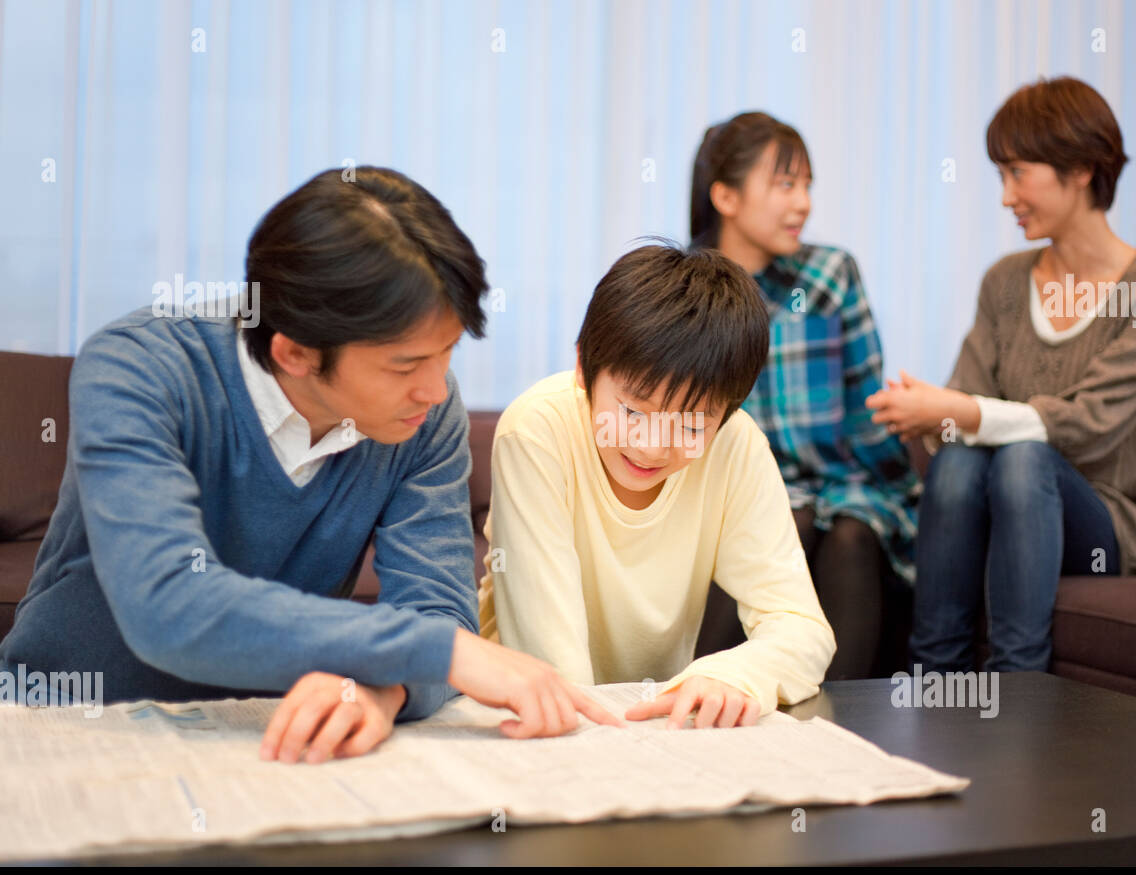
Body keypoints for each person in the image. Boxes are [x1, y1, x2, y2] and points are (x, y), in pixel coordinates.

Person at [0, 166, 620, 761]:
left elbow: (434, 608)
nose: (435, 390)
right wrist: (434, 651)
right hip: (65, 719)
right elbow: (167, 602)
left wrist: (383, 688)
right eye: (405, 365)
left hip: (276, 734)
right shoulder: (139, 369)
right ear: (294, 352)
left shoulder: (425, 412)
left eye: (448, 351)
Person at [866, 76, 1136, 673]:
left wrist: (954, 410)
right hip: (1005, 504)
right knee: (963, 459)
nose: (1007, 196)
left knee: (1023, 457)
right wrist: (928, 414)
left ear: (1083, 168)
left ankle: (1018, 687)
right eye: (1001, 176)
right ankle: (935, 677)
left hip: (1112, 521)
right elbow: (964, 406)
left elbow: (1090, 425)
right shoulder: (1006, 282)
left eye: (1018, 172)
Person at [477, 243, 835, 728]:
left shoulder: (737, 446)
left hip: (649, 727)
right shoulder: (537, 431)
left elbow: (802, 629)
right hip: (523, 719)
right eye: (631, 411)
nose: (650, 447)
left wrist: (736, 673)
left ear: (728, 412)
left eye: (690, 426)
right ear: (584, 367)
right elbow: (557, 668)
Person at [689, 111, 921, 680]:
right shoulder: (687, 291)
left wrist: (911, 497)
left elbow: (867, 413)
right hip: (741, 495)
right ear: (726, 196)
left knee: (851, 532)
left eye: (808, 186)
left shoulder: (829, 276)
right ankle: (693, 701)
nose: (803, 204)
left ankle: (838, 735)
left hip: (845, 488)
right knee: (789, 521)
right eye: (785, 184)